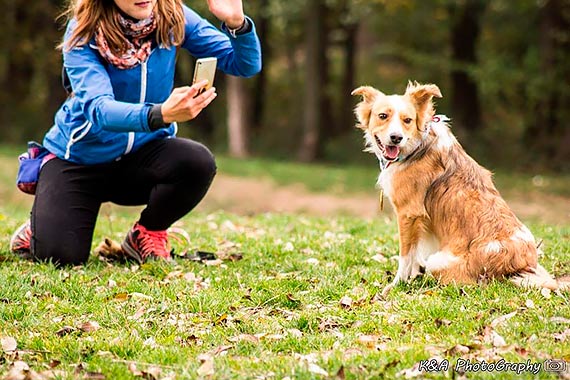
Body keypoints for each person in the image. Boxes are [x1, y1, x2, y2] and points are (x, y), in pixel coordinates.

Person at [9, 0, 262, 266]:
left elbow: (244, 65)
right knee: (60, 257)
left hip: (141, 157)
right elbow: (100, 110)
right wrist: (161, 113)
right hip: (79, 160)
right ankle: (44, 222)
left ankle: (146, 233)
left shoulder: (172, 15)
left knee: (197, 162)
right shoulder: (82, 32)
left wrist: (237, 24)